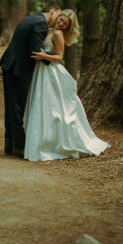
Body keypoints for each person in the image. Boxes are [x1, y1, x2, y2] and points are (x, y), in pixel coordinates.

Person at [23, 9, 109, 161]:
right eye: (61, 20)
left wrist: (44, 55)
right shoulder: (48, 29)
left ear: (68, 27)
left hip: (49, 71)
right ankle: (40, 141)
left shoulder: (57, 34)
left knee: (52, 106)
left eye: (65, 24)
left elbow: (59, 56)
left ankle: (52, 144)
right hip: (40, 70)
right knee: (41, 104)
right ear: (58, 16)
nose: (61, 24)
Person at [0, 6, 61, 157]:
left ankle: (10, 143)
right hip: (19, 69)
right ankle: (18, 146)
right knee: (17, 107)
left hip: (11, 65)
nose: (57, 20)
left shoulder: (31, 18)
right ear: (52, 10)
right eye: (58, 15)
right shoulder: (41, 23)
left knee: (11, 107)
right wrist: (52, 61)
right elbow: (34, 51)